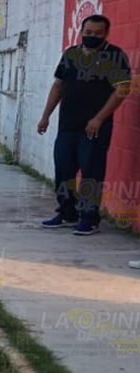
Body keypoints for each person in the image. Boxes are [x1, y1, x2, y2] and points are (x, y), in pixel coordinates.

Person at [37, 14, 132, 235]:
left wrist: (99, 118)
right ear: (81, 31)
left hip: (94, 128)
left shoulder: (115, 56)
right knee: (63, 171)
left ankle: (89, 219)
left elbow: (122, 90)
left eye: (97, 33)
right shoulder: (71, 54)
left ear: (106, 33)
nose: (92, 36)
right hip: (67, 126)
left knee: (91, 173)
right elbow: (58, 86)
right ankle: (67, 213)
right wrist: (45, 116)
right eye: (88, 32)